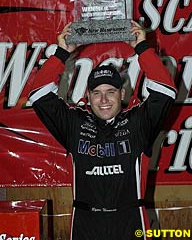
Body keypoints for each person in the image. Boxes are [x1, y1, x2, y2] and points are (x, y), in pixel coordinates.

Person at [29, 20, 176, 240]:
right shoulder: (75, 124)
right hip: (85, 224)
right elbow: (38, 95)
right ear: (88, 96)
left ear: (122, 95)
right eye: (96, 92)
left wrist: (142, 49)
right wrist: (61, 53)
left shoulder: (138, 123)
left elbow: (165, 92)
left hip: (130, 223)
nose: (104, 99)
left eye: (111, 91)